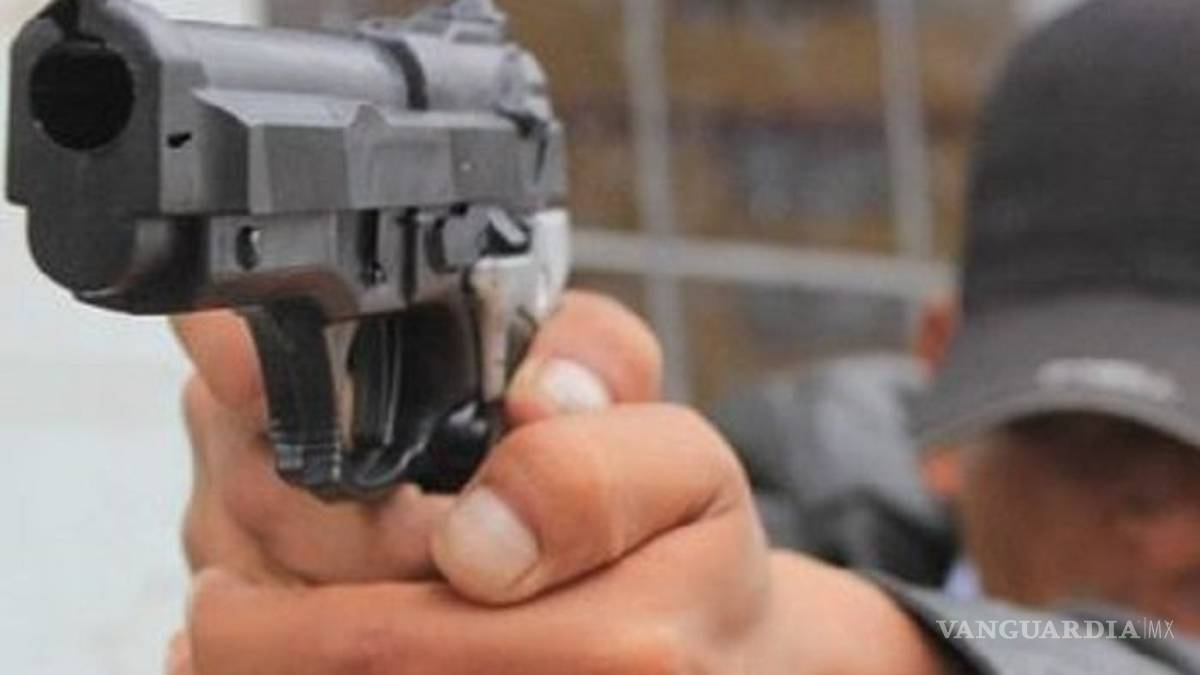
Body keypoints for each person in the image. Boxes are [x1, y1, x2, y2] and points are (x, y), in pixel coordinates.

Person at [164, 0, 1200, 672]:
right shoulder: (714, 569)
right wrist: (395, 561)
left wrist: (881, 653)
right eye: (1107, 448)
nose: (1174, 540)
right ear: (943, 386)